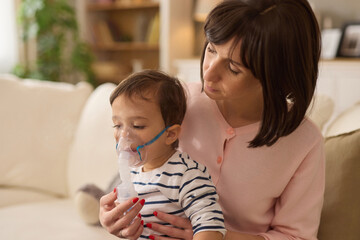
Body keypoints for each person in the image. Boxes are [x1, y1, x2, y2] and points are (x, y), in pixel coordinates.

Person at [99, 0, 325, 239]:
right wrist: (112, 215)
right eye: (211, 49)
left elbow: (296, 236)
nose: (209, 72)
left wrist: (218, 235)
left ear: (277, 75)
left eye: (233, 68)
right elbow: (135, 168)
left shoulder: (303, 141)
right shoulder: (179, 102)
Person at [106, 69, 226, 240]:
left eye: (138, 125)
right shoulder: (133, 174)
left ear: (170, 134)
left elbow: (210, 225)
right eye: (117, 125)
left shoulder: (186, 175)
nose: (124, 136)